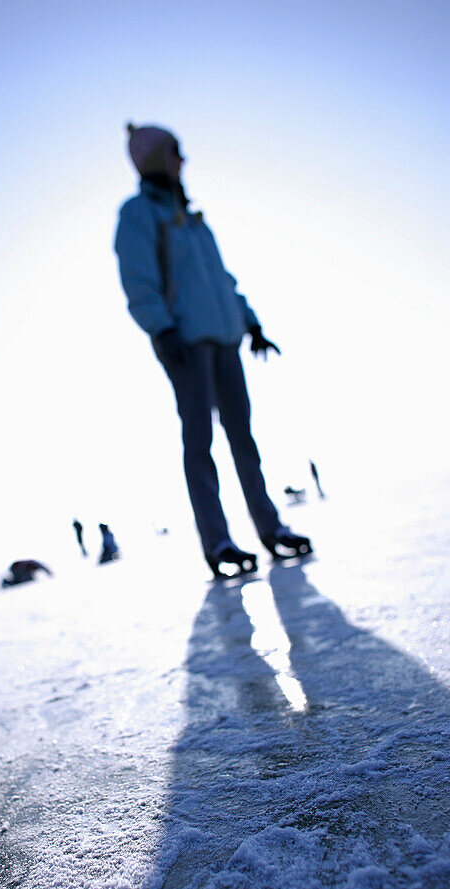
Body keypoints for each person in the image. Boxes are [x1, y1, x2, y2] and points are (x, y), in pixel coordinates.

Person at [114, 123, 311, 577]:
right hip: (185, 341)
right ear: (157, 158)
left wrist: (251, 322)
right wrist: (161, 329)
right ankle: (217, 540)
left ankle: (271, 528)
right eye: (176, 152)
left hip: (225, 337)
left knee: (243, 437)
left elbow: (222, 281)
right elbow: (138, 279)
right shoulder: (140, 214)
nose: (183, 161)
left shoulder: (195, 221)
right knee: (199, 438)